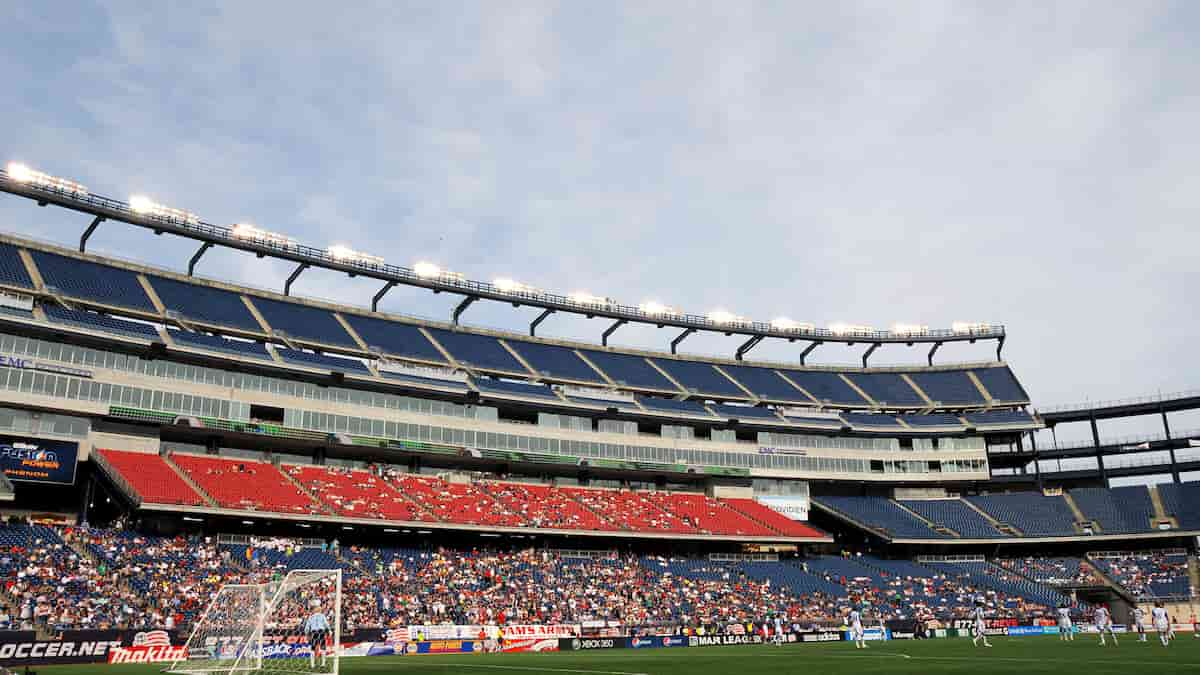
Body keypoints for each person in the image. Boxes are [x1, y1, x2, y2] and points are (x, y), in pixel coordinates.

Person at [304, 599, 332, 669]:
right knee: (323, 648)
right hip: (321, 632)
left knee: (313, 649)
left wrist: (307, 634)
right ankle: (323, 664)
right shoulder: (322, 616)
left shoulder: (311, 617)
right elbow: (326, 624)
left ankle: (312, 665)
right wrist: (329, 630)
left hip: (314, 632)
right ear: (319, 610)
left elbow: (307, 627)